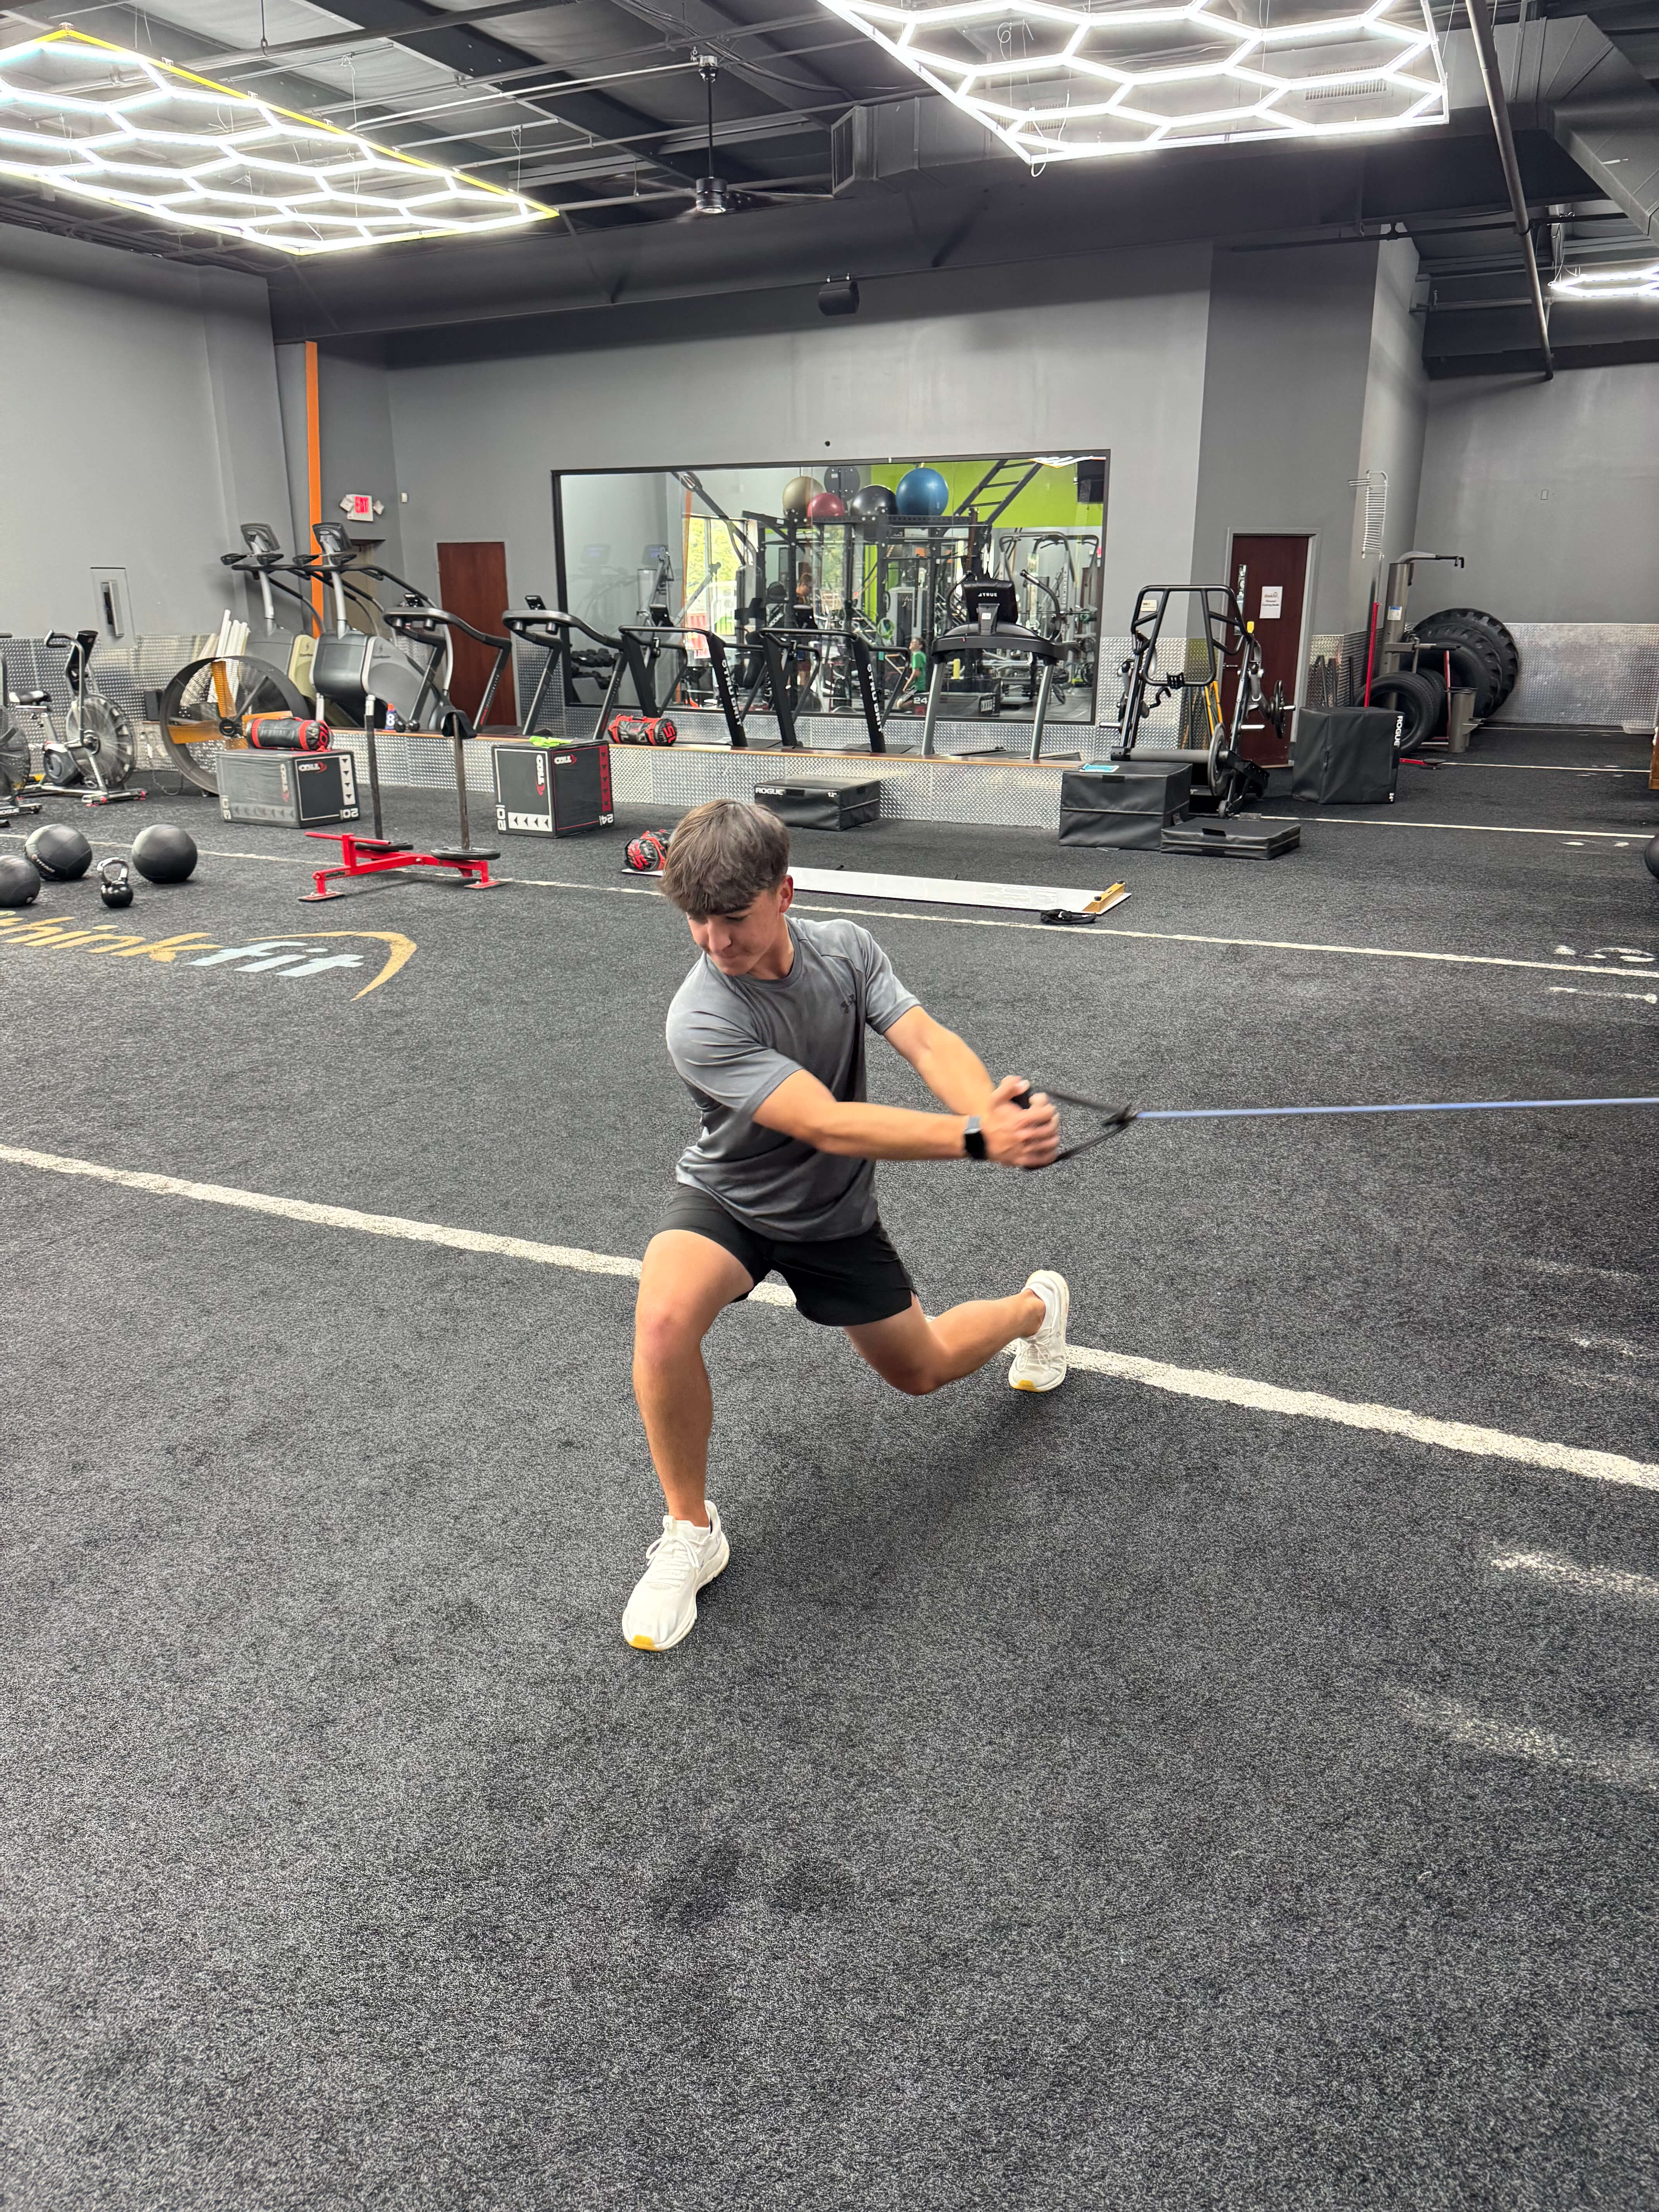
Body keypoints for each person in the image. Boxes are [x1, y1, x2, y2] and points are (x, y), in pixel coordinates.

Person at [623, 798, 1070, 1652]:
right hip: (733, 1200)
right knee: (664, 1319)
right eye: (695, 921)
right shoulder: (700, 1016)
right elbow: (825, 1122)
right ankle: (691, 1532)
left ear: (784, 894)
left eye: (733, 918)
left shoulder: (846, 952)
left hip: (832, 1215)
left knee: (924, 1370)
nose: (715, 942)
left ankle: (1035, 1310)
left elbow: (927, 1039)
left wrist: (986, 1106)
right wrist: (980, 1139)